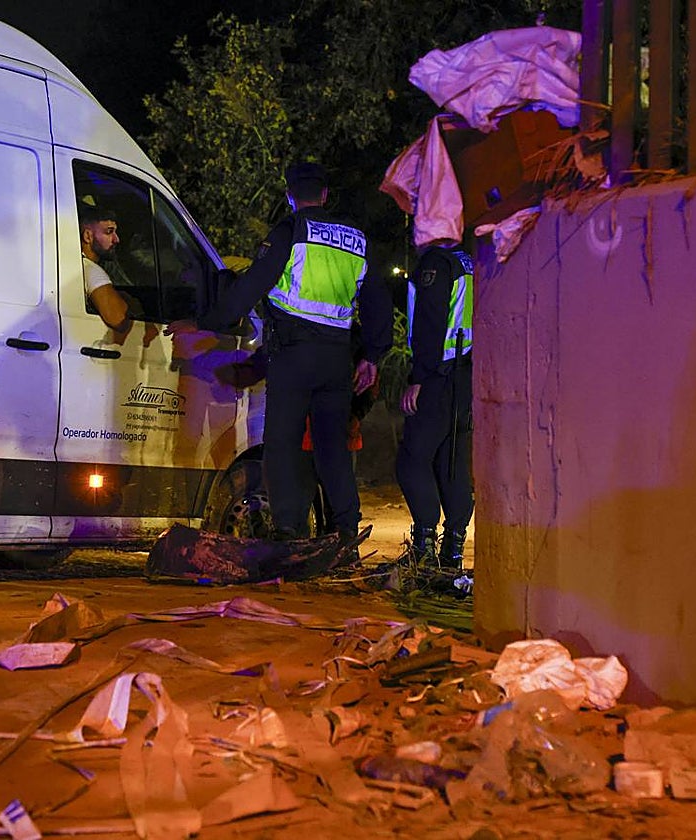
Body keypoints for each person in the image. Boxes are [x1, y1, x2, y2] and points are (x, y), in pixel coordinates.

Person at [166, 162, 385, 542]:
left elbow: (250, 287)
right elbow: (378, 301)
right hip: (336, 360)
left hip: (293, 356)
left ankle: (287, 530)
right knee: (332, 447)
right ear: (325, 195)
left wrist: (204, 322)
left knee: (281, 445)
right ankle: (347, 528)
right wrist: (372, 355)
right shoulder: (356, 240)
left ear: (289, 196)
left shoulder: (291, 232)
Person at [395, 238, 475, 580]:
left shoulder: (437, 263)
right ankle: (452, 551)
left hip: (438, 376)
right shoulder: (470, 262)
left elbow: (429, 323)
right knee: (451, 463)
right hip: (466, 375)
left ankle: (424, 547)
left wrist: (419, 377)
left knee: (412, 460)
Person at [79, 205, 131, 332]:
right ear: (88, 236)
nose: (116, 239)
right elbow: (119, 320)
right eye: (109, 232)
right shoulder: (91, 270)